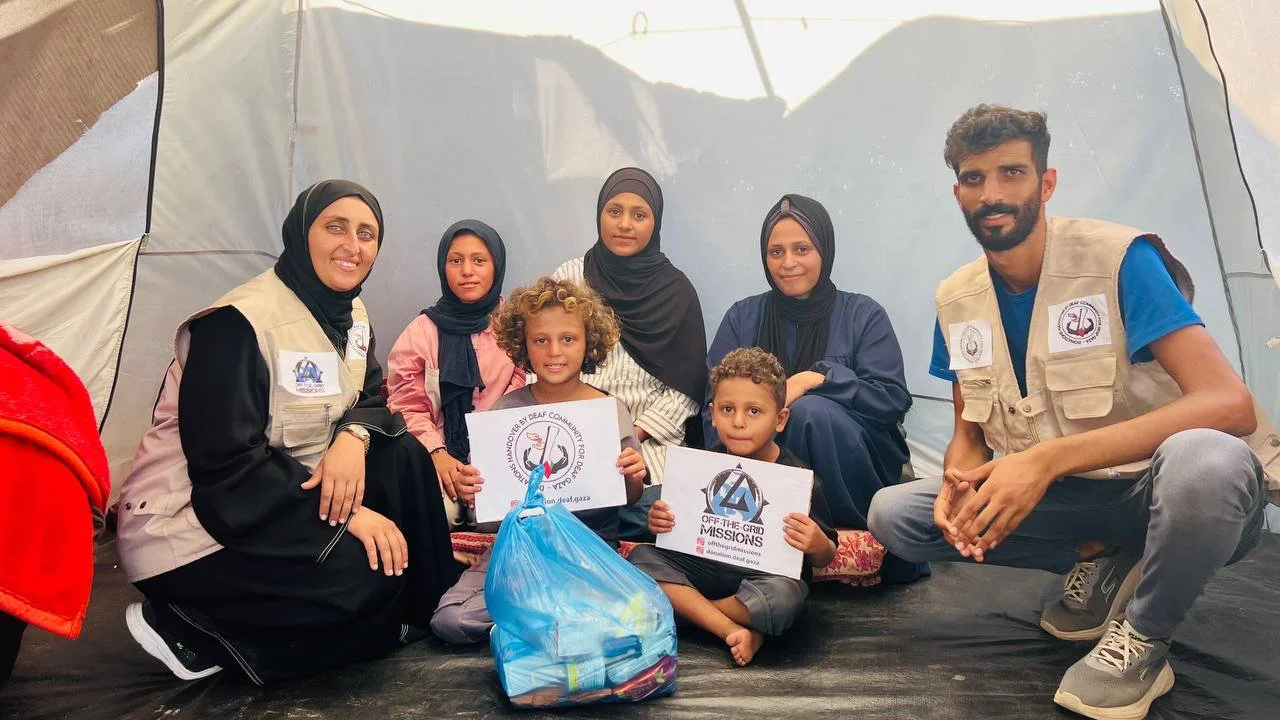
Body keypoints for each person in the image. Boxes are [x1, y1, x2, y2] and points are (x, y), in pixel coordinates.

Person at [866, 105, 1279, 720]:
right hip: (1073, 499)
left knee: (1208, 461)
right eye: (974, 178)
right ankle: (1101, 555)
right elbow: (968, 433)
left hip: (1161, 491)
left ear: (1046, 182)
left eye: (1012, 172)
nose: (992, 193)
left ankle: (1144, 637)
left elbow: (1229, 402)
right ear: (958, 193)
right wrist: (960, 481)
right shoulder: (956, 300)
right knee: (896, 516)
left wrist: (1045, 461)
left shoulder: (1119, 259)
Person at [115, 180, 459, 685]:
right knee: (366, 578)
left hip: (281, 494)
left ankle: (430, 606)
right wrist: (349, 518)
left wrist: (354, 438)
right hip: (195, 523)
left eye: (367, 234)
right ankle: (189, 627)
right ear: (301, 233)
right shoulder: (235, 326)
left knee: (402, 453)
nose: (352, 245)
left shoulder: (350, 314)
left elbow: (368, 393)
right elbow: (227, 466)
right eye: (335, 227)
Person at [705, 193, 924, 582]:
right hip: (759, 479)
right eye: (776, 251)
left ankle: (839, 537)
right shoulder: (743, 317)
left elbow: (890, 400)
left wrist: (816, 379)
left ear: (825, 250)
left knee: (810, 413)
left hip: (855, 472)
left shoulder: (863, 315)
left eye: (802, 249)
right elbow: (713, 407)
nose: (788, 262)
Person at [430, 277, 647, 644]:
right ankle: (556, 621)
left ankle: (534, 621)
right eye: (541, 340)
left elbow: (630, 497)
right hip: (519, 551)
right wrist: (474, 491)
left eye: (568, 339)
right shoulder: (506, 411)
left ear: (589, 342)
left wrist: (633, 475)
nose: (554, 351)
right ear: (523, 345)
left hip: (589, 551)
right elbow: (488, 518)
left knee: (637, 612)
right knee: (450, 620)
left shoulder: (609, 410)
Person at [630, 347, 838, 667]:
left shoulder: (797, 480)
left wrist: (815, 542)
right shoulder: (700, 467)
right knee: (640, 559)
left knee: (785, 597)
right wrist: (660, 522)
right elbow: (673, 529)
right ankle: (733, 628)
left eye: (754, 411)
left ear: (780, 419)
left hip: (761, 579)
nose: (738, 422)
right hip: (703, 567)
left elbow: (825, 556)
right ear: (713, 414)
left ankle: (694, 611)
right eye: (727, 409)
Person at [552, 167, 707, 540]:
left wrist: (626, 435)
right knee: (575, 495)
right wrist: (580, 436)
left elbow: (686, 390)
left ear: (655, 223)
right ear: (600, 216)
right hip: (571, 441)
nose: (625, 224)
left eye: (639, 215)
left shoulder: (676, 291)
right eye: (614, 211)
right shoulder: (570, 279)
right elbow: (542, 358)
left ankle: (585, 520)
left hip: (648, 445)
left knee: (667, 509)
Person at [387, 219, 525, 530]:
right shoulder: (422, 331)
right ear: (443, 267)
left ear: (496, 266)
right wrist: (438, 455)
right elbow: (406, 407)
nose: (467, 271)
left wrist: (483, 463)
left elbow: (521, 403)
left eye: (479, 260)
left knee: (500, 516)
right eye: (456, 260)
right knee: (439, 514)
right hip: (437, 459)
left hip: (502, 458)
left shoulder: (515, 328)